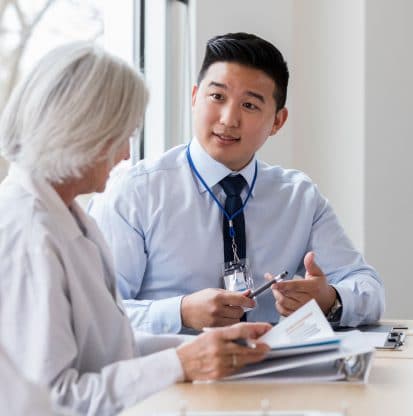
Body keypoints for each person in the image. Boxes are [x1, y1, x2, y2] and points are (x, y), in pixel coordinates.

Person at [0, 42, 271, 416]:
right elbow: (53, 402)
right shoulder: (26, 235)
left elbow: (110, 351)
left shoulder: (69, 217)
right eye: (122, 135)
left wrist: (210, 348)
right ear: (82, 131)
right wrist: (181, 363)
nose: (127, 154)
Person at [88, 32, 385, 335]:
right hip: (175, 374)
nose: (229, 119)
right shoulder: (137, 191)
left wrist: (329, 299)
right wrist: (180, 312)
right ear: (194, 97)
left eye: (250, 105)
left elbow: (368, 286)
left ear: (278, 122)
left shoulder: (299, 198)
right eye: (217, 97)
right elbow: (96, 312)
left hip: (275, 373)